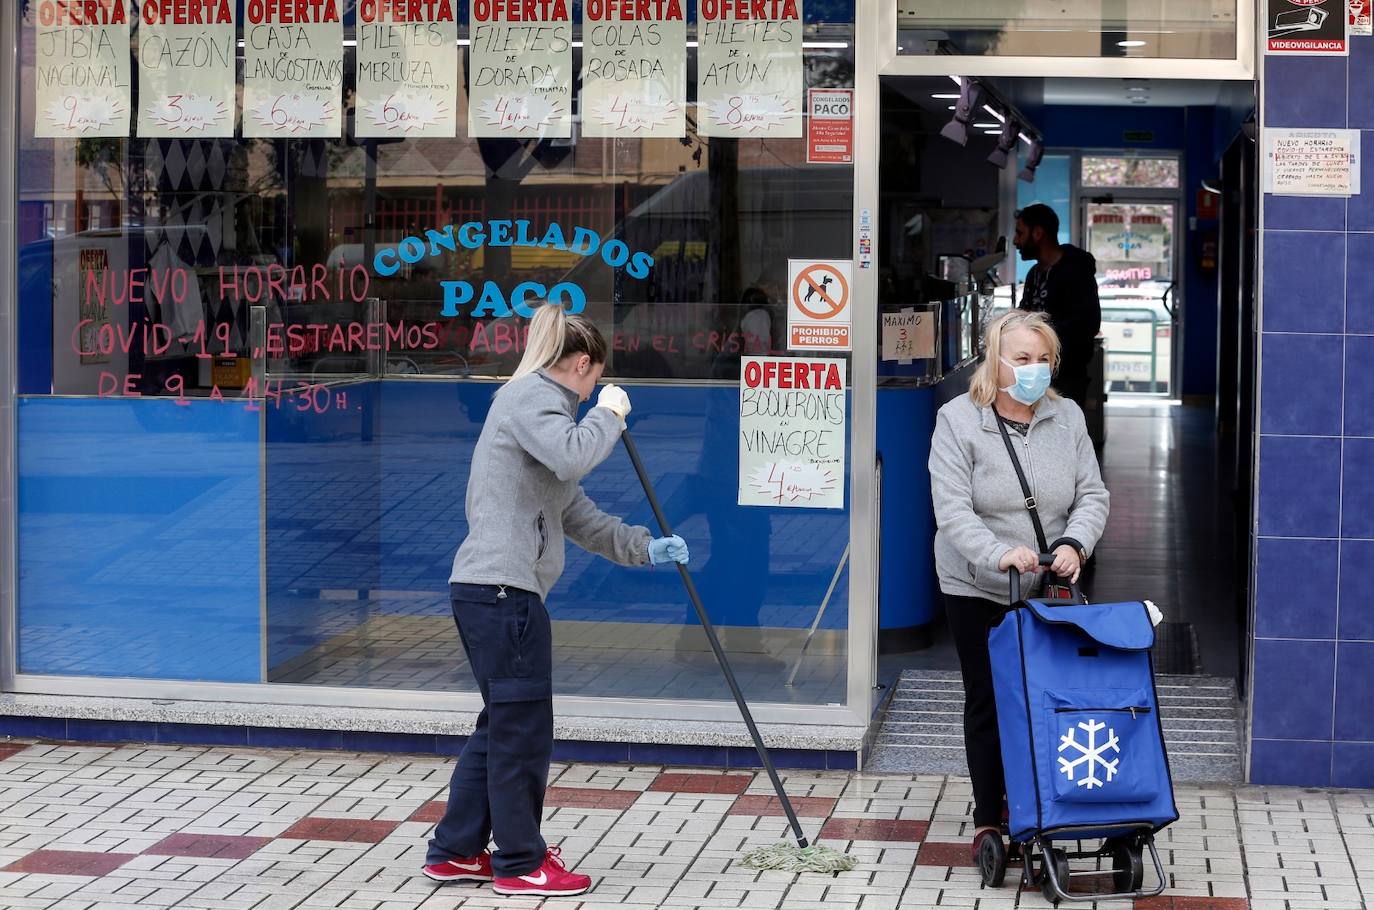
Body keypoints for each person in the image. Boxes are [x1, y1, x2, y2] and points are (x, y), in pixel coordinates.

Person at [422, 304, 691, 898]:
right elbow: (576, 454)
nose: (595, 389)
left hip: (491, 591)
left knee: (502, 725)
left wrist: (644, 548)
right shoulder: (533, 401)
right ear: (580, 363)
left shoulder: (537, 416)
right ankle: (520, 862)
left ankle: (456, 850)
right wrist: (609, 417)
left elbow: (574, 511)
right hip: (502, 593)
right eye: (596, 379)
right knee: (523, 731)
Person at [927, 309, 1109, 860]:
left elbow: (1092, 494)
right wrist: (999, 553)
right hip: (977, 584)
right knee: (988, 697)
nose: (1035, 370)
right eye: (1023, 359)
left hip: (1049, 586)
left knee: (1051, 696)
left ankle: (1046, 801)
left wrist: (1076, 544)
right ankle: (989, 815)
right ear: (996, 360)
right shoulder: (958, 421)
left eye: (1044, 360)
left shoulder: (1068, 416)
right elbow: (952, 511)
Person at [1014, 204, 1101, 409]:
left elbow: (1088, 324)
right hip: (1033, 377)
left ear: (1037, 233)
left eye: (1020, 233)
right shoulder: (1033, 274)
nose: (1015, 241)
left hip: (1067, 380)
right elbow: (1026, 314)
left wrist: (1040, 332)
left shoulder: (1076, 272)